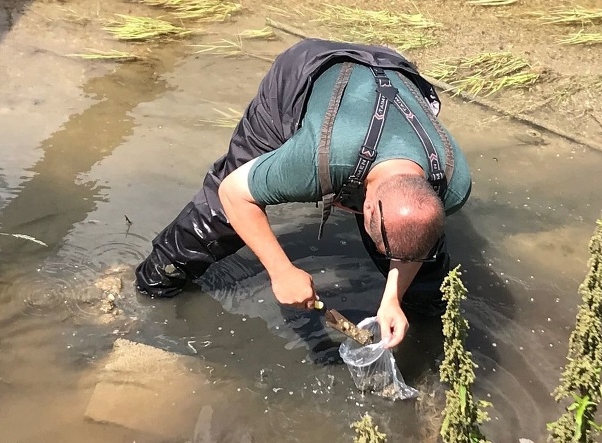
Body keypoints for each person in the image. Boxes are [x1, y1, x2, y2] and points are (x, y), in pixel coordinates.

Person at [135, 38, 472, 349]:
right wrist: (281, 272)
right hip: (304, 77)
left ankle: (425, 337)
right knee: (220, 215)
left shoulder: (452, 184)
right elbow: (233, 193)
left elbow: (413, 246)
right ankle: (150, 284)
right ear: (363, 207)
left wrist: (392, 298)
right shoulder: (318, 159)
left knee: (424, 272)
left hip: (394, 69)